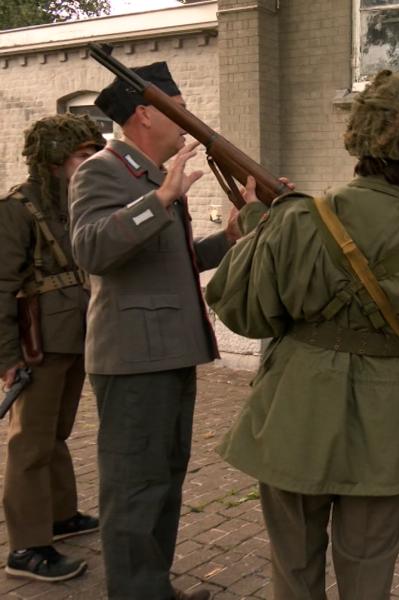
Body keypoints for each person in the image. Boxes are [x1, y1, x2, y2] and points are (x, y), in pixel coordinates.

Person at [205, 69, 399, 599]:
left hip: (294, 410)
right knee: (368, 571)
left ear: (359, 145)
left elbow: (241, 312)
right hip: (385, 422)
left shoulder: (296, 220)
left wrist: (254, 234)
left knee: (292, 569)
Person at [69, 61, 253, 600]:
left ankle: (153, 587)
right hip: (131, 360)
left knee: (165, 481)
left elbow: (172, 262)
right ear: (147, 113)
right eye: (178, 108)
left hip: (168, 353)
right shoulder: (103, 171)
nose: (187, 120)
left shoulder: (151, 177)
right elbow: (91, 250)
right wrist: (161, 201)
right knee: (133, 489)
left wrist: (232, 239)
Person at [0, 114, 105, 583]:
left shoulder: (72, 205)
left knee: (56, 433)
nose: (91, 163)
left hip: (72, 339)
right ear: (55, 159)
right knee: (29, 444)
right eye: (83, 155)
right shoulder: (16, 209)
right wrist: (7, 360)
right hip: (36, 346)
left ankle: (60, 517)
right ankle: (26, 548)